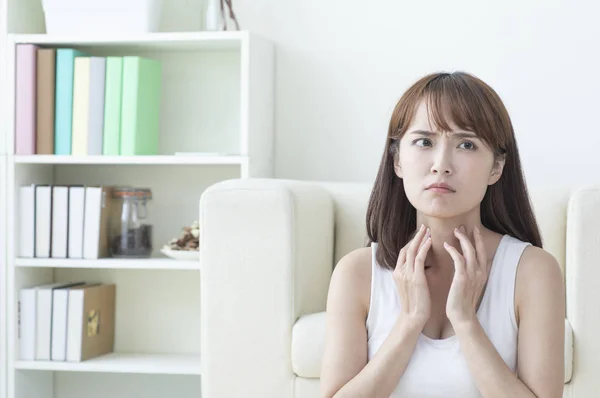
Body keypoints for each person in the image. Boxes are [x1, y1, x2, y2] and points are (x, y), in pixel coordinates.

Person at [320, 71, 565, 398]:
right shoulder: (357, 273)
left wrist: (466, 322)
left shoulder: (533, 271)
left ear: (497, 167)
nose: (441, 164)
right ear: (397, 160)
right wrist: (409, 322)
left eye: (466, 144)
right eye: (424, 141)